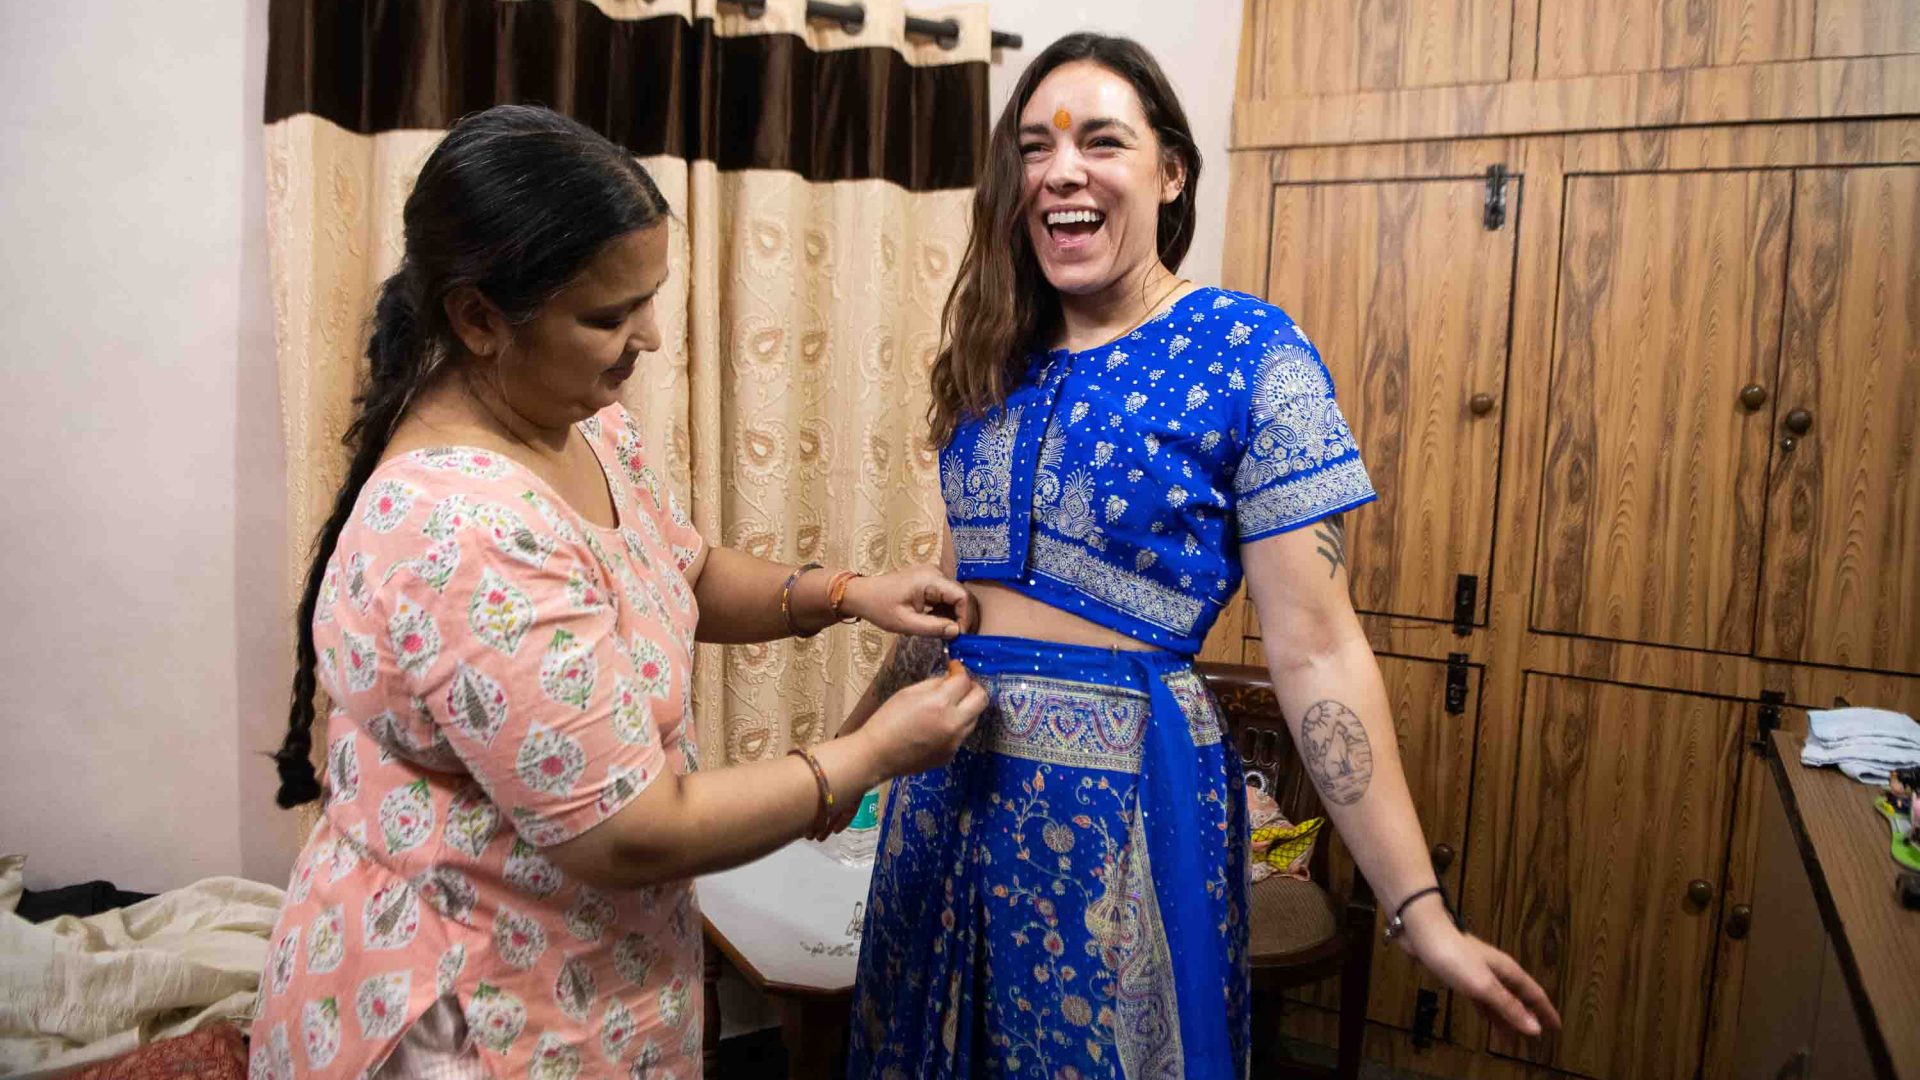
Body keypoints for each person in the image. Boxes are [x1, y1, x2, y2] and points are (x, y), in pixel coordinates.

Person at [840, 34, 1562, 1078]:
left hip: (1124, 807)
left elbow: (1316, 652)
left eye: (1101, 140)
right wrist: (845, 762)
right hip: (943, 796)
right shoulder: (989, 348)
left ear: (1171, 172)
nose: (1062, 170)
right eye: (1035, 147)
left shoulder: (1252, 354)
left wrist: (1419, 910)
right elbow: (951, 609)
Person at [250, 104, 987, 1080]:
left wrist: (848, 592)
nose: (645, 337)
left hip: (588, 986)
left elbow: (676, 569)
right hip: (464, 1019)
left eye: (649, 299)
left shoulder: (580, 422)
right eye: (607, 315)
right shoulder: (462, 530)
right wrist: (864, 758)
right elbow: (632, 832)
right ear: (477, 317)